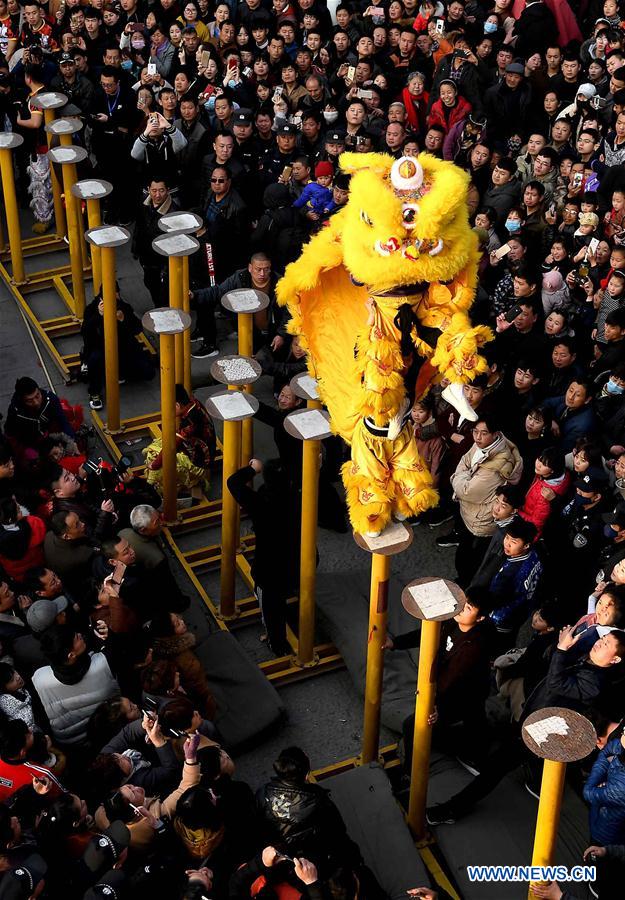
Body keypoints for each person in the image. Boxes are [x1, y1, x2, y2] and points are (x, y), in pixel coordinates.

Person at [227, 458, 300, 656]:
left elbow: (233, 483)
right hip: (298, 558)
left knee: (271, 610)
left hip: (270, 567)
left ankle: (277, 645)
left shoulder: (261, 503)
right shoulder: (299, 496)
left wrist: (252, 469)